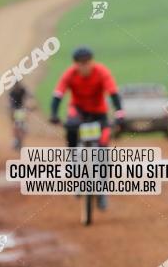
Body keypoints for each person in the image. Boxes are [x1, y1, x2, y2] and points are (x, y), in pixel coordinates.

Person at [50, 46, 124, 209]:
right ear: (75, 64)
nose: (84, 66)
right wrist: (54, 114)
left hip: (99, 113)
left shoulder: (102, 72)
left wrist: (119, 113)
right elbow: (58, 94)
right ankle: (74, 162)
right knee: (70, 128)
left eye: (87, 62)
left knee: (103, 150)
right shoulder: (69, 74)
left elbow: (113, 93)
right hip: (78, 111)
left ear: (92, 61)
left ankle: (102, 191)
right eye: (80, 63)